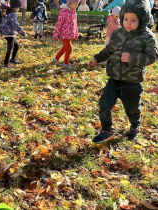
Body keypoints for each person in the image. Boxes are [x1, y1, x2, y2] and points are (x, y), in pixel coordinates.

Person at [88, 0, 158, 143]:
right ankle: (106, 130)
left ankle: (134, 127)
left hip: (132, 82)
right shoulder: (117, 34)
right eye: (125, 19)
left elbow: (153, 56)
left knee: (132, 109)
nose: (128, 23)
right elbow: (108, 51)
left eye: (133, 20)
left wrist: (133, 58)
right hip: (114, 79)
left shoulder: (148, 37)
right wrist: (96, 59)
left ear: (142, 20)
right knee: (104, 104)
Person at [0, 0, 27, 68]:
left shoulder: (8, 11)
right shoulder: (12, 13)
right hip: (9, 33)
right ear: (16, 7)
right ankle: (5, 64)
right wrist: (23, 33)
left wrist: (1, 31)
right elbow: (16, 25)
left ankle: (12, 59)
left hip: (7, 32)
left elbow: (2, 22)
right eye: (19, 8)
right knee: (10, 49)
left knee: (16, 45)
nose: (19, 9)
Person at [52, 0, 79, 69]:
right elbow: (59, 24)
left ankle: (56, 59)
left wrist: (76, 33)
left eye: (77, 3)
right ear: (70, 4)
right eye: (75, 3)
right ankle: (66, 63)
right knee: (69, 49)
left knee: (64, 48)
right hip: (64, 34)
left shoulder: (74, 12)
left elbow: (75, 24)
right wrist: (55, 34)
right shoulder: (64, 12)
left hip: (70, 34)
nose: (76, 5)